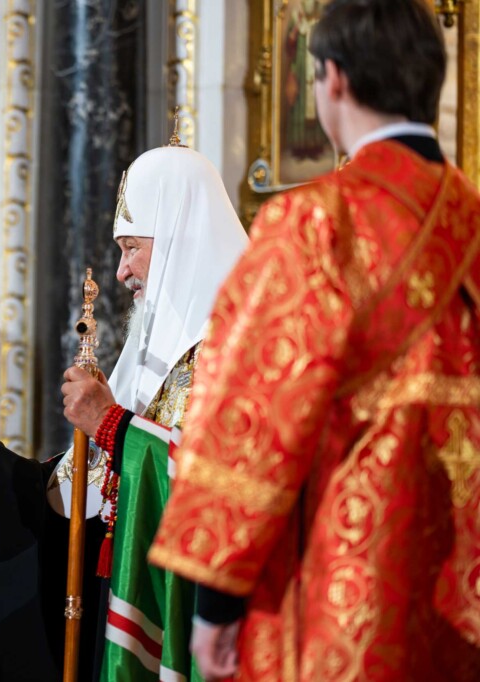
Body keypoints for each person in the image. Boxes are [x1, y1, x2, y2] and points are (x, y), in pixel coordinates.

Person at [147, 1, 480, 679]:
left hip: (342, 589)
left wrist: (215, 606)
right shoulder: (471, 220)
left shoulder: (316, 221)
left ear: (333, 79)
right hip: (463, 599)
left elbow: (254, 419)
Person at [0, 143, 248, 681]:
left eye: (131, 248)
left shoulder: (240, 348)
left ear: (178, 241)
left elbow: (217, 486)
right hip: (136, 588)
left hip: (199, 620)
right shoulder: (158, 349)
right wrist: (1, 472)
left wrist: (110, 423)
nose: (122, 272)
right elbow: (102, 482)